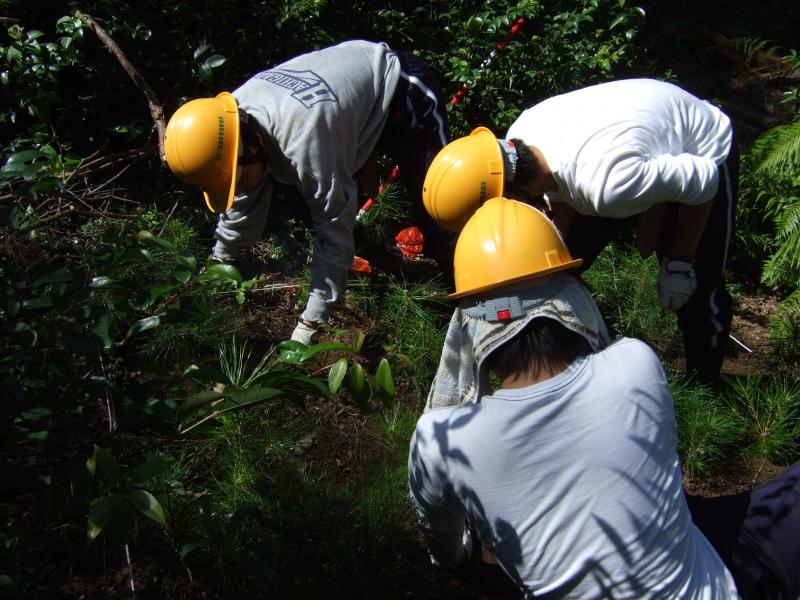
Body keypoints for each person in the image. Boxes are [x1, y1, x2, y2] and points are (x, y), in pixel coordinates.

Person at [409, 197, 800, 599]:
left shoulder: (439, 441)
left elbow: (442, 538)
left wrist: (458, 559)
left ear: (471, 326)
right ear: (570, 299)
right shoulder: (635, 365)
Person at [421, 78, 738, 385]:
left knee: (698, 292)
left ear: (511, 194)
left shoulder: (607, 185)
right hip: (630, 155)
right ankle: (557, 360)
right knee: (559, 266)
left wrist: (679, 260)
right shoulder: (522, 139)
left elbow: (704, 182)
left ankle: (705, 385)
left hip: (701, 150)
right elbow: (558, 192)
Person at [164, 40, 451, 344]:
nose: (238, 190)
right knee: (350, 182)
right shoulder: (230, 122)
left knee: (440, 203)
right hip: (344, 101)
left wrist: (309, 324)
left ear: (248, 145)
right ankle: (380, 248)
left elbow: (333, 228)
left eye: (238, 179)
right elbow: (243, 198)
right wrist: (218, 266)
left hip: (402, 87)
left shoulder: (303, 142)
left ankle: (474, 302)